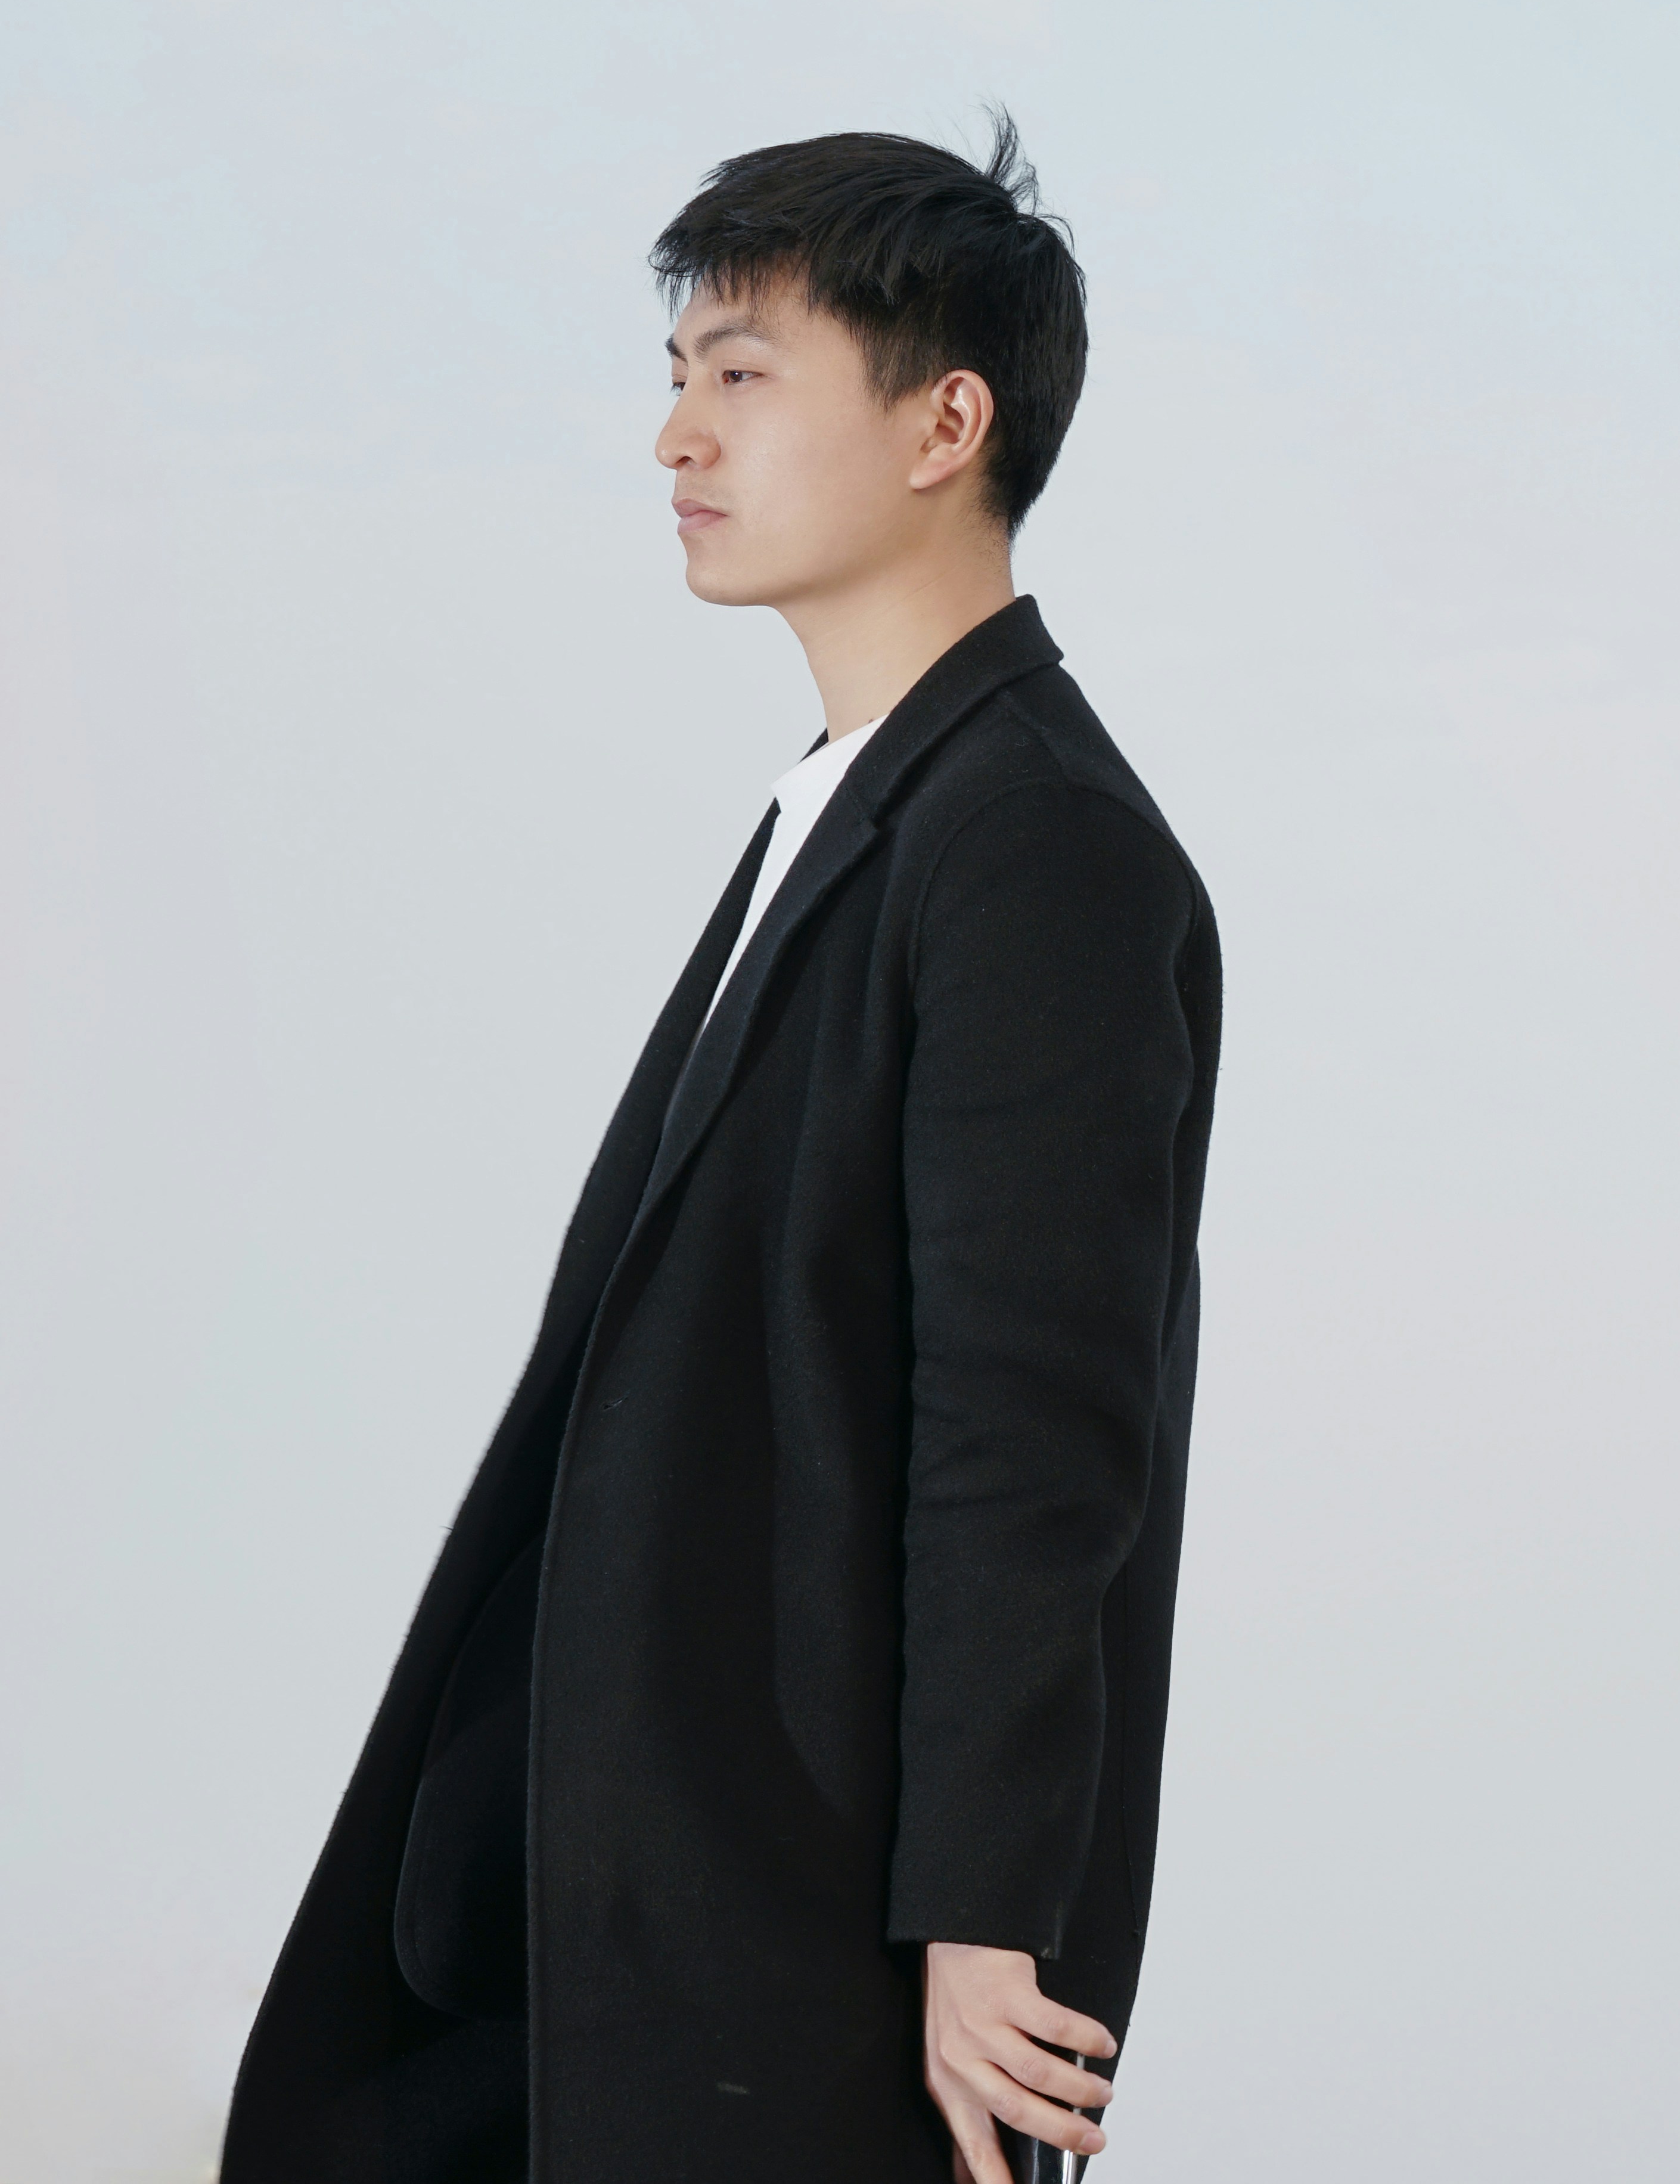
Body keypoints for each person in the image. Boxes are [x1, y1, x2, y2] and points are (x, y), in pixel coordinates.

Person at [222, 123, 1222, 2184]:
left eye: (742, 374)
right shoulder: (846, 809)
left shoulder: (1037, 844)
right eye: (678, 374)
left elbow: (1033, 1433)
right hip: (599, 1886)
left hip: (805, 1940)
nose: (676, 434)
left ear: (950, 419)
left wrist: (984, 1918)